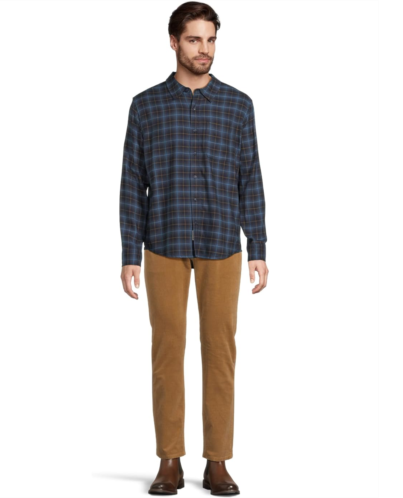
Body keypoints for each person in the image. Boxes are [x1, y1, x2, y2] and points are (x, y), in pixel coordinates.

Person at [119, 2, 268, 494]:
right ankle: (170, 460)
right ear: (173, 42)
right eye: (194, 40)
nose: (204, 50)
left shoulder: (238, 105)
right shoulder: (145, 106)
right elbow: (132, 183)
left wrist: (258, 245)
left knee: (220, 354)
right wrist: (130, 253)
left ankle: (217, 462)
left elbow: (251, 178)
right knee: (167, 354)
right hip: (162, 242)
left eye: (210, 40)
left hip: (223, 243)